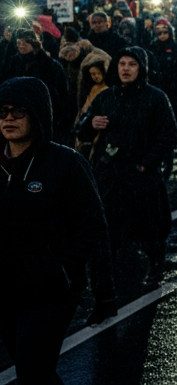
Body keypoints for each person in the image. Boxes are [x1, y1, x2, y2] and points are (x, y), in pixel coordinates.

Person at [0, 77, 117, 384]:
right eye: (3, 111)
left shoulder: (65, 164)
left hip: (49, 293)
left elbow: (93, 226)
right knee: (34, 371)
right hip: (6, 289)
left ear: (37, 113)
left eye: (18, 111)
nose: (9, 118)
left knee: (32, 370)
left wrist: (74, 276)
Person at [77, 47, 177, 287]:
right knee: (108, 227)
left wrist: (146, 164)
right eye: (122, 63)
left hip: (142, 175)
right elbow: (82, 130)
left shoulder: (155, 97)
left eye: (132, 64)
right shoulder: (105, 96)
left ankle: (155, 267)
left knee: (149, 226)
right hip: (110, 173)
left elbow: (167, 134)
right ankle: (106, 274)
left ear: (140, 68)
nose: (126, 68)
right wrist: (91, 123)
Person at [2, 28, 75, 145]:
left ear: (33, 44)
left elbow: (62, 95)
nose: (21, 46)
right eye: (18, 43)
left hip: (44, 116)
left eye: (25, 43)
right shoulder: (13, 63)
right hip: (18, 114)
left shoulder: (50, 65)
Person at [146, 18, 177, 159]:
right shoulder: (152, 49)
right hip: (161, 93)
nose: (162, 35)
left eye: (165, 32)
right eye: (159, 32)